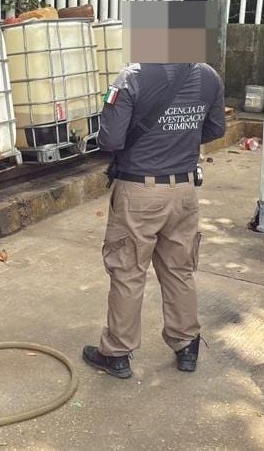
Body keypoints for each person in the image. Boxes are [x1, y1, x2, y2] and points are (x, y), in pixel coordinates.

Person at [82, 59, 226, 377]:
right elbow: (215, 128)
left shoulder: (131, 78)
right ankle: (186, 345)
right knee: (179, 269)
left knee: (128, 271)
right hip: (184, 191)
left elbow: (110, 140)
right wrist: (179, 139)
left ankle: (117, 353)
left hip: (139, 191)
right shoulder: (208, 76)